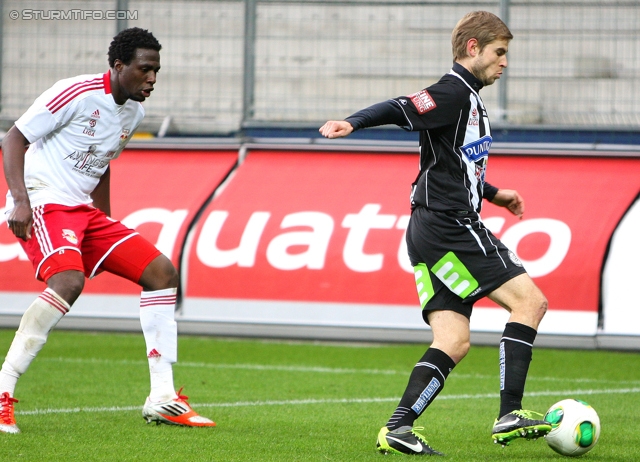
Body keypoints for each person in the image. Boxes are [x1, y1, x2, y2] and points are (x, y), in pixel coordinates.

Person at [320, 11, 550, 456]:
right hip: (450, 225)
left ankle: (398, 428)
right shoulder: (452, 91)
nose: (505, 62)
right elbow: (401, 106)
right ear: (473, 49)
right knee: (530, 303)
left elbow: (453, 166)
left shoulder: (471, 99)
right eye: (499, 53)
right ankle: (511, 413)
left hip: (431, 227)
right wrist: (352, 122)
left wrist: (496, 193)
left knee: (453, 341)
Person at [0, 27, 215, 433]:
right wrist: (21, 201)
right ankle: (2, 392)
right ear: (118, 66)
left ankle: (162, 398)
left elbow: (102, 161)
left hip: (85, 212)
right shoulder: (75, 92)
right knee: (68, 281)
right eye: (145, 69)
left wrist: (107, 221)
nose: (152, 79)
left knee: (161, 273)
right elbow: (14, 138)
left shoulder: (134, 112)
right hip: (44, 201)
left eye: (157, 71)